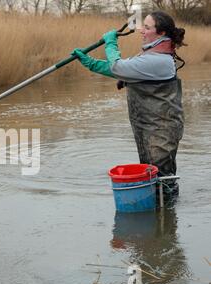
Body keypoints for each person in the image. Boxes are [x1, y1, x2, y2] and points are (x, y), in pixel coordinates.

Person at [72, 11, 186, 200]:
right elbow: (121, 70)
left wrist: (110, 42)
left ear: (161, 34)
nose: (142, 30)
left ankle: (167, 223)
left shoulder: (158, 60)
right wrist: (90, 63)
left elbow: (119, 68)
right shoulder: (152, 55)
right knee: (152, 177)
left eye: (147, 27)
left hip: (160, 130)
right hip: (149, 127)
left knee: (163, 182)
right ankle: (159, 218)